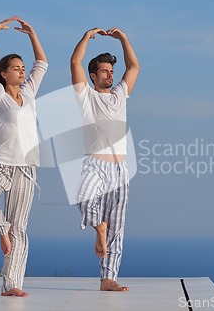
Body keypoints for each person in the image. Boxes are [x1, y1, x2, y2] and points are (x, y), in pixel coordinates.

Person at [0, 16, 48, 297]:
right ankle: (1, 229)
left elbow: (41, 64)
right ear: (3, 74)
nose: (21, 71)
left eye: (22, 67)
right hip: (0, 162)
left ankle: (12, 285)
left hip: (27, 167)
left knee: (21, 228)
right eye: (15, 68)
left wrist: (33, 35)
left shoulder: (29, 93)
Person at [70, 27, 139, 291]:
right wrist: (86, 36)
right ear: (93, 76)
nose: (110, 74)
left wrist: (123, 38)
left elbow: (133, 67)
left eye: (111, 71)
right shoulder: (86, 96)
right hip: (95, 164)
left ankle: (108, 279)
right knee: (84, 196)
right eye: (104, 71)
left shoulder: (120, 94)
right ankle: (99, 228)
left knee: (118, 226)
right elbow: (75, 62)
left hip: (121, 169)